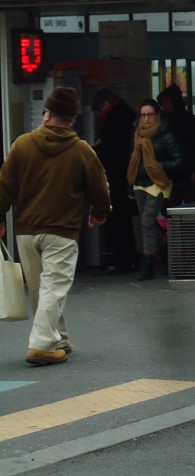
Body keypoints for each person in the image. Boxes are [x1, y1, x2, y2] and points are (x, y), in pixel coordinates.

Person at [0, 86, 110, 366]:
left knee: (41, 288)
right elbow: (99, 187)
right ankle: (41, 345)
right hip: (61, 231)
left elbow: (4, 187)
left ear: (47, 114)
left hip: (26, 231)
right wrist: (99, 212)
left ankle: (57, 337)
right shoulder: (81, 150)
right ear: (72, 119)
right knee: (53, 286)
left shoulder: (22, 145)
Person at [126, 99, 184, 281]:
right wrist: (130, 183)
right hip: (139, 182)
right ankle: (166, 256)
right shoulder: (137, 134)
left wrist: (157, 166)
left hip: (158, 183)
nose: (146, 119)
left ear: (157, 115)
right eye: (143, 115)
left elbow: (179, 161)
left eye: (150, 115)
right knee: (148, 223)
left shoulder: (166, 135)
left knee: (146, 221)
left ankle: (148, 264)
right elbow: (132, 159)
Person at [90, 88, 138, 273]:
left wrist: (94, 150)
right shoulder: (125, 114)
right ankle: (128, 258)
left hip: (117, 176)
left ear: (106, 105)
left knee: (116, 219)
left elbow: (109, 146)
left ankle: (118, 260)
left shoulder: (117, 119)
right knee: (123, 220)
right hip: (122, 175)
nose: (100, 115)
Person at [157, 84, 195, 204]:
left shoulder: (190, 122)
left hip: (188, 174)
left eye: (166, 102)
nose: (163, 106)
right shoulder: (163, 123)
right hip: (170, 176)